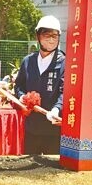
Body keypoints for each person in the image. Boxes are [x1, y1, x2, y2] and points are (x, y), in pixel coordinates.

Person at [14, 15, 65, 154]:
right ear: (38, 36)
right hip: (32, 128)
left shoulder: (64, 63)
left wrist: (56, 109)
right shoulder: (28, 61)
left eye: (54, 36)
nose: (51, 39)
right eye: (46, 35)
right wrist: (22, 97)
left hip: (53, 129)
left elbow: (65, 92)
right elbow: (18, 86)